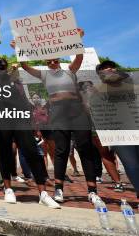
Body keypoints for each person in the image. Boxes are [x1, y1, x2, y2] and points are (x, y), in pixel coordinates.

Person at [12, 31, 101, 205]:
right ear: (46, 63)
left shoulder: (69, 70)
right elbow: (25, 66)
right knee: (61, 150)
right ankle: (59, 189)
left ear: (59, 60)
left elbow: (79, 58)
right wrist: (19, 49)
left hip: (76, 110)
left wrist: (78, 40)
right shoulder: (44, 74)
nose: (52, 63)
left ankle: (92, 191)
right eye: (49, 61)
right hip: (58, 112)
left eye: (55, 60)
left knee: (85, 148)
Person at [0, 57, 60, 208]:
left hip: (19, 118)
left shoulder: (14, 78)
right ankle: (8, 189)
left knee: (32, 151)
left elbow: (23, 99)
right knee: (5, 152)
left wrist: (32, 122)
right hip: (0, 119)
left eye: (2, 64)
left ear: (6, 67)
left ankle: (43, 193)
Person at [90, 60, 139, 198]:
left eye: (112, 67)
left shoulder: (131, 85)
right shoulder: (97, 91)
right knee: (132, 165)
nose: (110, 69)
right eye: (105, 68)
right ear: (100, 74)